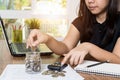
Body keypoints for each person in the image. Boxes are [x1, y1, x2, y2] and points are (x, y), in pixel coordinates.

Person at [27, 0, 120, 66]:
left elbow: (117, 60)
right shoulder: (80, 21)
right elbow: (65, 47)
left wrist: (89, 47)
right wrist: (47, 38)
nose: (90, 1)